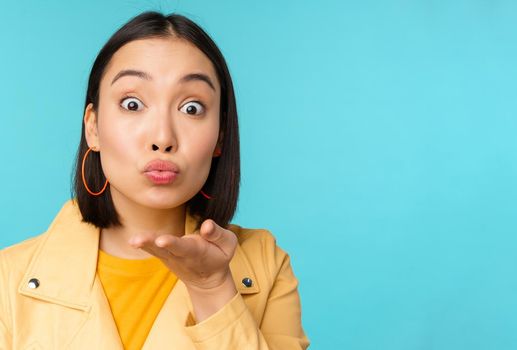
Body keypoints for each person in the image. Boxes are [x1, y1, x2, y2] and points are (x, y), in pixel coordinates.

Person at [0, 11, 310, 349]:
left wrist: (213, 289)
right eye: (132, 104)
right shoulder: (7, 278)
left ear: (220, 136)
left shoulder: (267, 264)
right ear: (93, 127)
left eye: (192, 108)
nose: (163, 137)